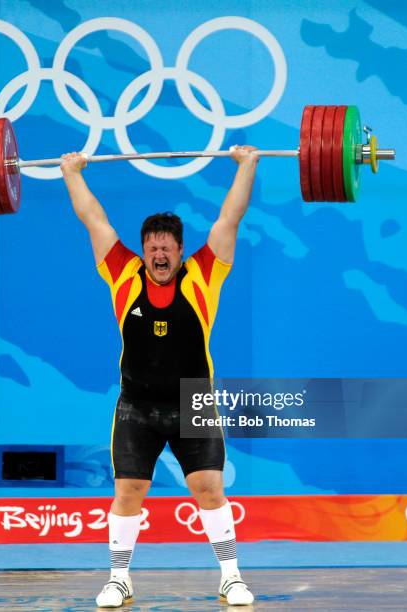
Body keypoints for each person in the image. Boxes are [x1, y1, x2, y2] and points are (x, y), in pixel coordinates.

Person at [61, 146, 258, 607]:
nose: (158, 252)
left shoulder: (203, 275)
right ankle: (118, 579)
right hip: (137, 403)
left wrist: (247, 166)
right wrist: (71, 172)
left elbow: (229, 219)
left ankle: (231, 576)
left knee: (209, 487)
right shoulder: (122, 274)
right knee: (129, 490)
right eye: (151, 246)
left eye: (166, 245)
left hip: (194, 400)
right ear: (143, 251)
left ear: (179, 250)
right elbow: (94, 219)